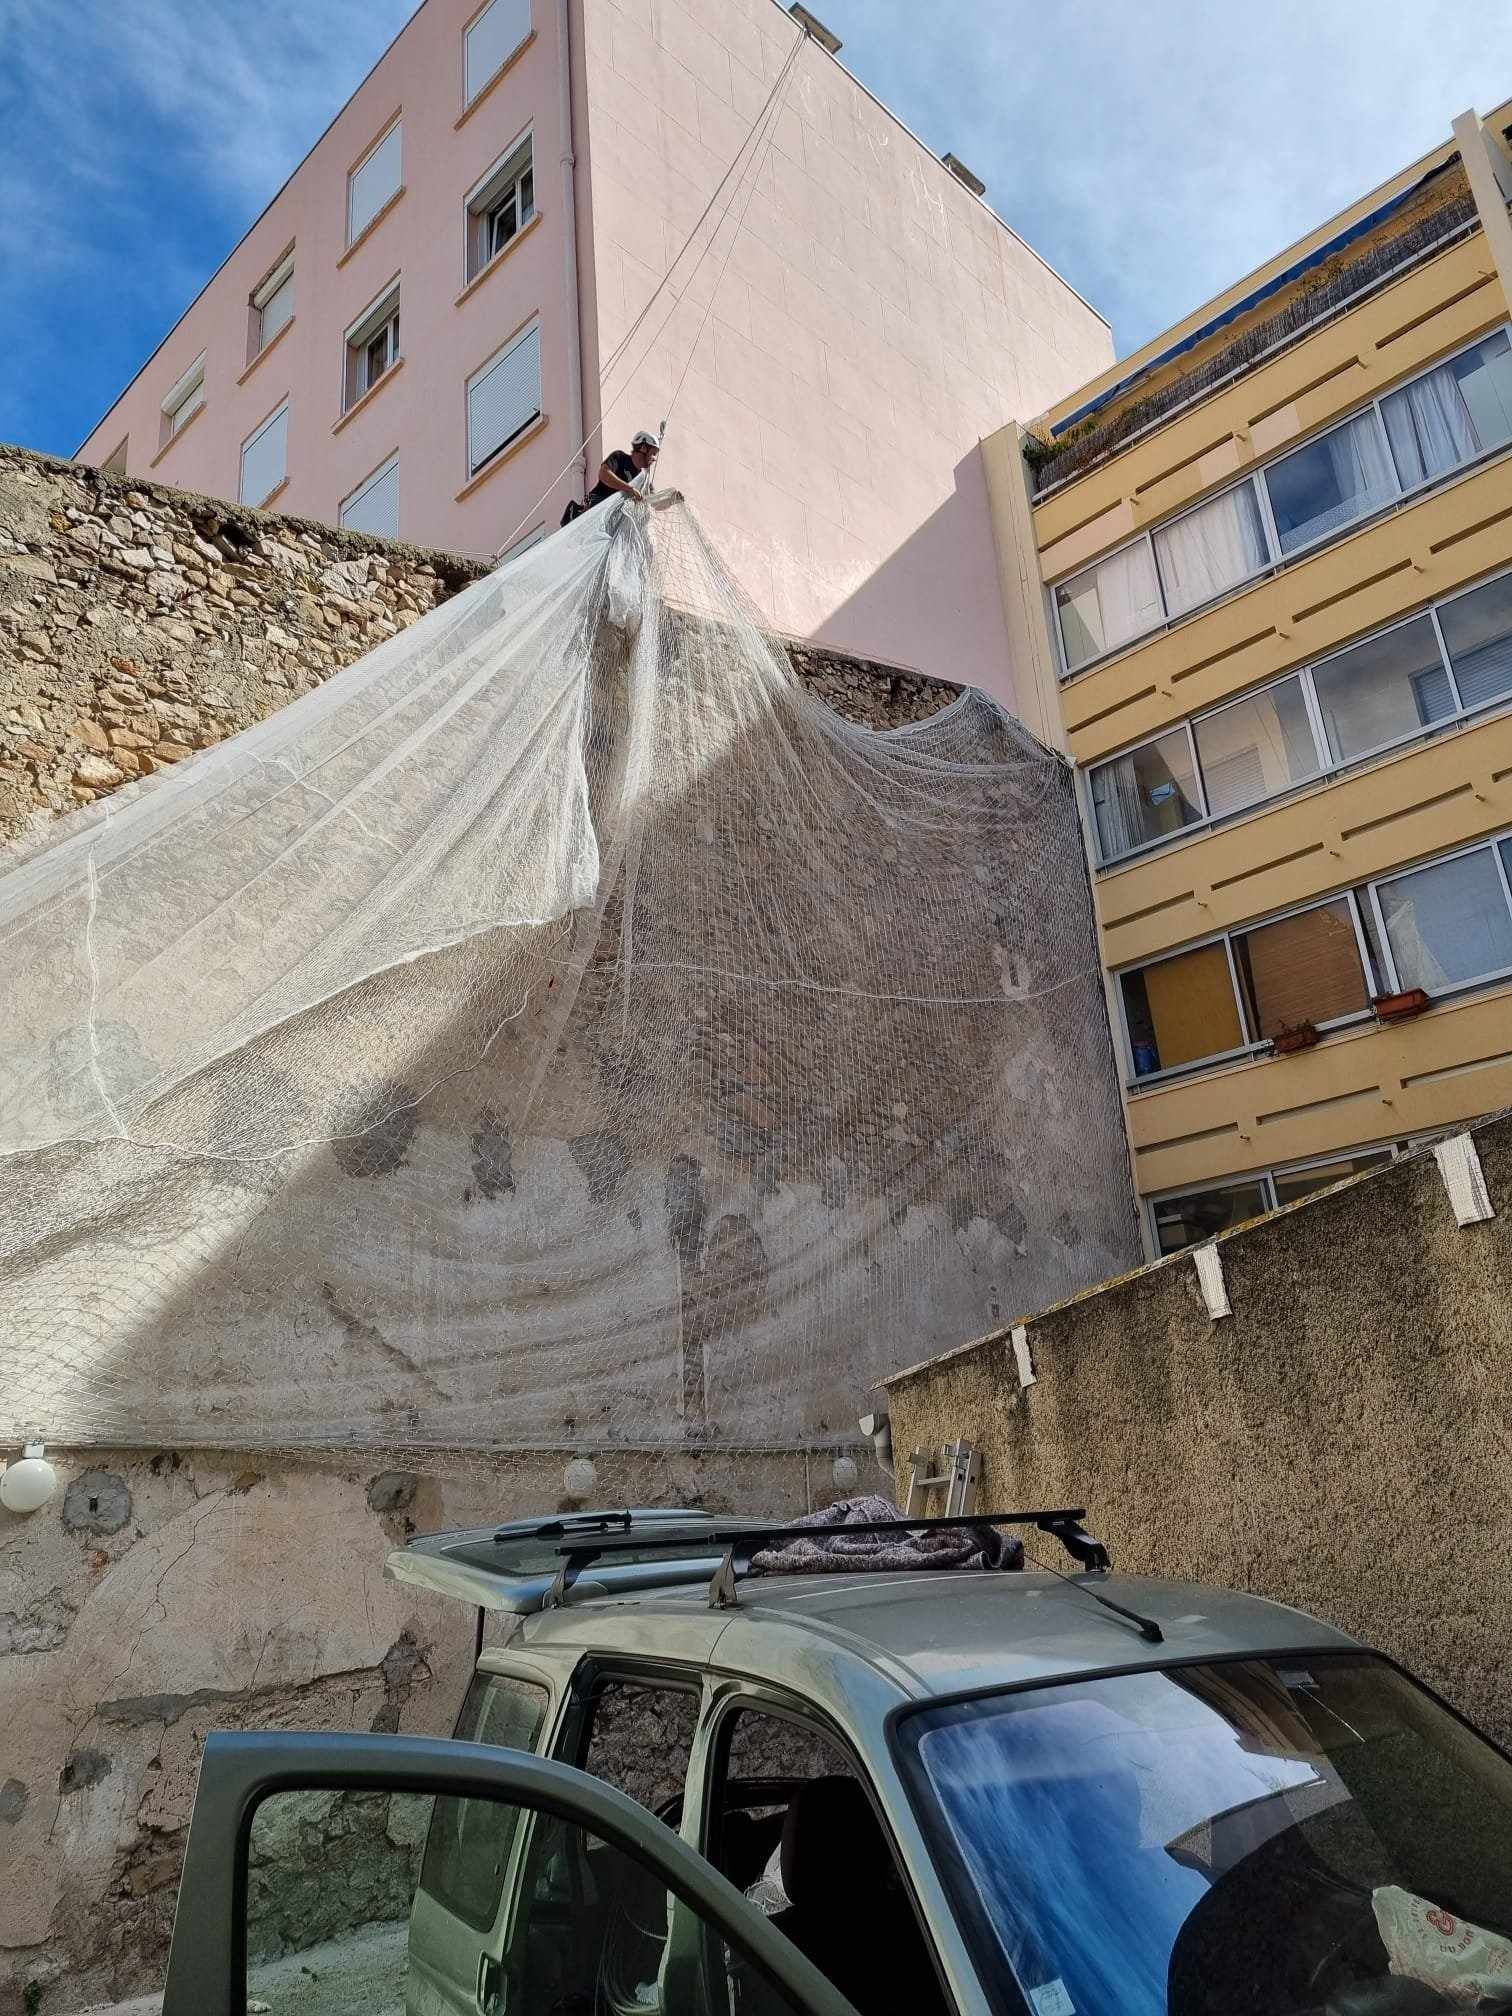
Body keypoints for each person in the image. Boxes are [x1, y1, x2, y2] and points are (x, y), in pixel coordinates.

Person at [588, 428, 659, 506]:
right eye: (653, 454)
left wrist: (670, 498)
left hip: (614, 515)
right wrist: (629, 489)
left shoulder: (644, 480)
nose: (654, 459)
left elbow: (655, 502)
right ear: (643, 448)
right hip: (597, 506)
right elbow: (604, 474)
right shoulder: (620, 458)